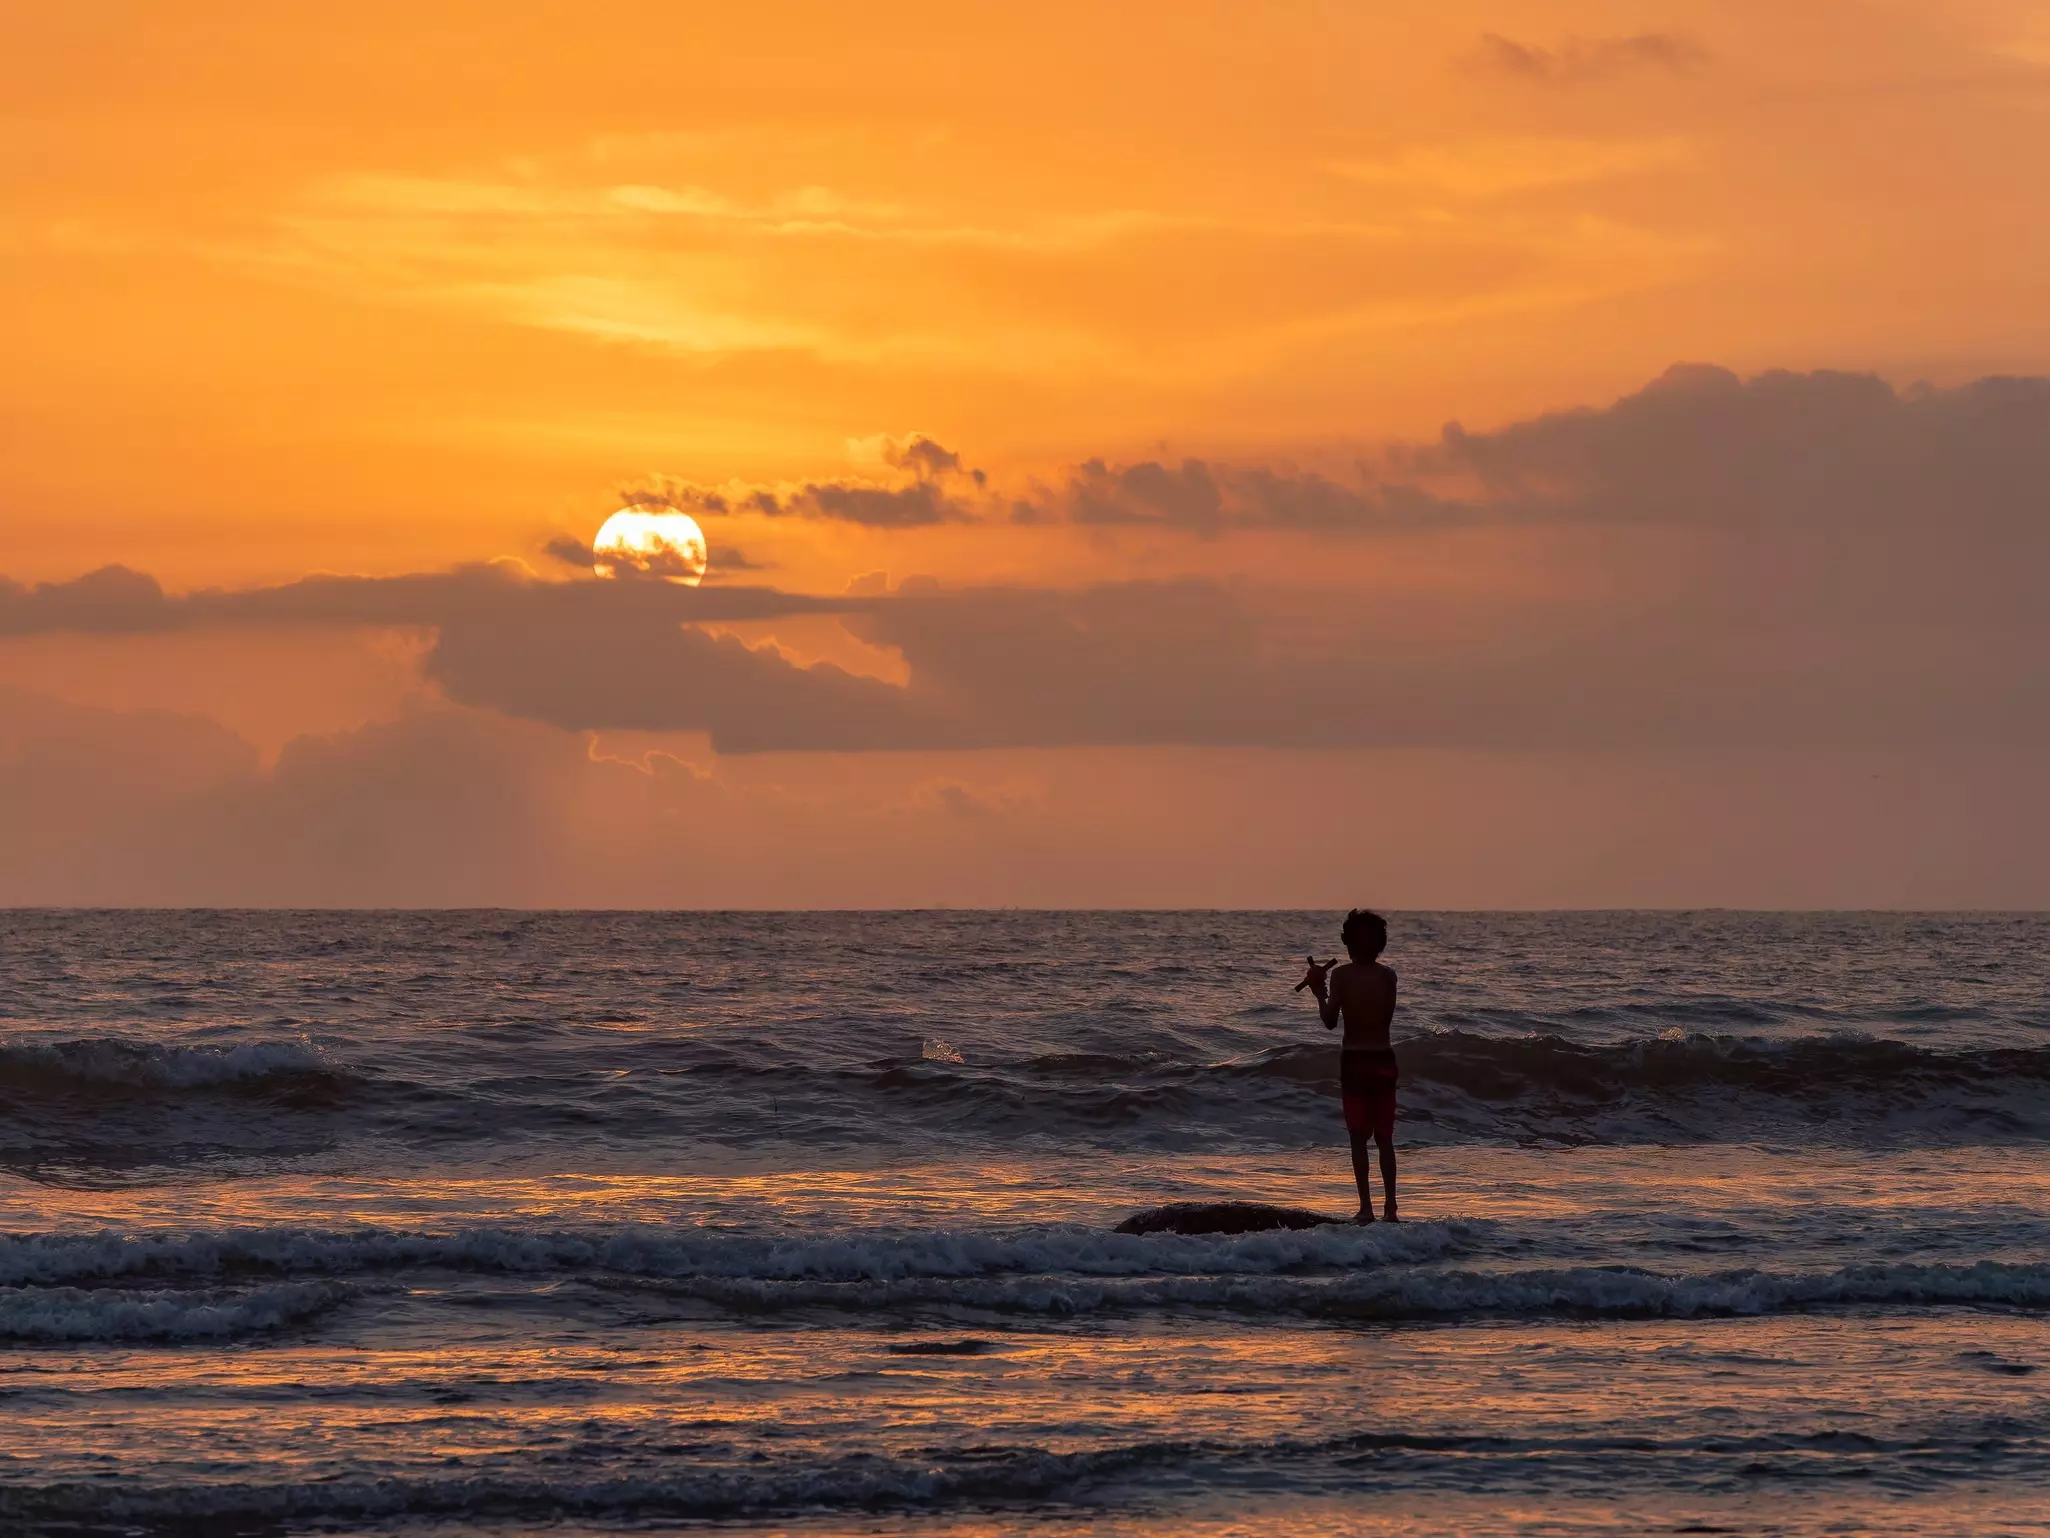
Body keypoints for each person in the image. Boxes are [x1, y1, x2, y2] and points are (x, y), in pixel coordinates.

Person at [1299, 910, 1398, 1223]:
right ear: (1380, 944)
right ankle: (1391, 1210)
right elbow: (1385, 1020)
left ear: (1347, 943)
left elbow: (1330, 1022)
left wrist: (1319, 992)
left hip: (1354, 1061)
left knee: (1358, 1138)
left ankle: (1366, 1209)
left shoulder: (1341, 976)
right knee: (1385, 1139)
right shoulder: (1388, 976)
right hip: (1384, 1058)